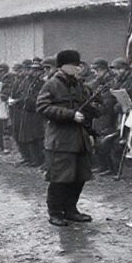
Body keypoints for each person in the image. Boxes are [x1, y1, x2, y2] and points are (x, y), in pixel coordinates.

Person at [36, 50, 99, 227]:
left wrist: (93, 109)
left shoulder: (78, 84)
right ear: (63, 66)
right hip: (61, 139)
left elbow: (86, 104)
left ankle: (71, 210)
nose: (77, 68)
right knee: (59, 178)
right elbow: (42, 107)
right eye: (74, 65)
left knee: (79, 176)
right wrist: (70, 115)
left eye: (78, 65)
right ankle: (55, 213)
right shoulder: (51, 85)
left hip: (79, 138)